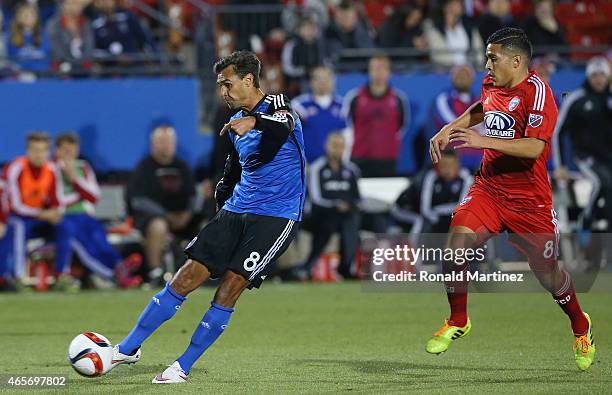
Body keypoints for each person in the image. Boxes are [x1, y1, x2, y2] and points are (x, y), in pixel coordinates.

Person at [108, 51, 306, 383]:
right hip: (236, 210)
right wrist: (221, 195)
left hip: (276, 217)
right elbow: (232, 169)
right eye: (220, 86)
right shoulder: (233, 122)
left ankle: (181, 366)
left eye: (228, 84)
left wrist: (254, 120)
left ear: (248, 80)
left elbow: (284, 124)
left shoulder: (277, 106)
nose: (223, 92)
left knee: (228, 289)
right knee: (185, 277)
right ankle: (126, 349)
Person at [427, 28, 595, 371]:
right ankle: (458, 319)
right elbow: (482, 108)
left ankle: (580, 326)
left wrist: (483, 141)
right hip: (489, 188)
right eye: (487, 57)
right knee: (454, 249)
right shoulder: (493, 83)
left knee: (548, 275)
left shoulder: (539, 93)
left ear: (516, 61)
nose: (486, 65)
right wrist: (451, 127)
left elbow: (534, 148)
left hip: (529, 202)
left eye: (493, 58)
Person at [54, 132, 141, 289]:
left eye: (72, 149)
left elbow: (94, 196)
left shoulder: (83, 167)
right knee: (83, 243)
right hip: (65, 217)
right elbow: (58, 200)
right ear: (58, 150)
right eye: (65, 150)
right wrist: (80, 193)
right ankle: (112, 274)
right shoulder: (53, 169)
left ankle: (119, 266)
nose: (69, 153)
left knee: (99, 239)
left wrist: (75, 179)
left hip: (85, 216)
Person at [127, 126, 196, 285]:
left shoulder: (182, 166)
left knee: (207, 224)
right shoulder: (144, 168)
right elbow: (138, 201)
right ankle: (155, 272)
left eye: (169, 142)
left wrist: (188, 214)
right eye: (161, 142)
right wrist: (165, 215)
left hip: (183, 217)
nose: (166, 146)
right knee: (158, 226)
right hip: (153, 218)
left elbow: (193, 195)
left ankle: (203, 271)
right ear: (153, 144)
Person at [553, 57, 612, 232]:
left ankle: (605, 231)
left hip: (608, 156)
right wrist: (560, 165)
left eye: (602, 75)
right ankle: (585, 219)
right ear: (588, 77)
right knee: (602, 183)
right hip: (585, 156)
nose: (598, 79)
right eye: (594, 75)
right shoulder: (576, 99)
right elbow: (558, 132)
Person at [0, 132, 63, 286]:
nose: (39, 155)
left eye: (43, 150)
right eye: (35, 150)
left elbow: (58, 199)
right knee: (16, 228)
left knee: (65, 226)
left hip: (39, 218)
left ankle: (62, 275)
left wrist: (56, 213)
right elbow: (15, 205)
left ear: (48, 152)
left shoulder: (52, 169)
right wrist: (42, 214)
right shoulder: (16, 168)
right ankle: (17, 277)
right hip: (14, 217)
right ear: (27, 151)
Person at [300, 133, 360, 279]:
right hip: (318, 214)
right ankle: (308, 265)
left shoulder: (352, 170)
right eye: (335, 145)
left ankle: (346, 267)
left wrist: (348, 206)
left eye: (341, 146)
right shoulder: (317, 168)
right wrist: (336, 205)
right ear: (327, 147)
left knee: (353, 220)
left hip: (344, 215)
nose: (338, 149)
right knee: (329, 222)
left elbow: (358, 198)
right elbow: (316, 199)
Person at [343, 55, 409, 177]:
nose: (379, 72)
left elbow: (402, 127)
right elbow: (348, 126)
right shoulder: (355, 97)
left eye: (382, 68)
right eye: (375, 68)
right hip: (359, 158)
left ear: (389, 72)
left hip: (387, 159)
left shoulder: (398, 99)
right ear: (369, 71)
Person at [392, 150, 472, 236]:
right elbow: (425, 210)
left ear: (457, 165)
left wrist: (440, 212)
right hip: (406, 209)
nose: (447, 169)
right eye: (444, 165)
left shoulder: (467, 179)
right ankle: (416, 248)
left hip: (438, 212)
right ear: (438, 165)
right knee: (421, 222)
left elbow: (463, 207)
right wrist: (439, 218)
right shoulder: (429, 178)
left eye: (450, 165)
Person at [431, 64, 481, 170]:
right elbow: (449, 123)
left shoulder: (479, 101)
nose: (462, 78)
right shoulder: (443, 99)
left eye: (466, 74)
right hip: (452, 159)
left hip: (479, 158)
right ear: (452, 78)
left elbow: (486, 127)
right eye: (459, 74)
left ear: (472, 79)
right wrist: (473, 127)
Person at [292, 66, 346, 163]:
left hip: (334, 164)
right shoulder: (299, 105)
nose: (323, 82)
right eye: (319, 78)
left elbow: (346, 135)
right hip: (307, 164)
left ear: (333, 81)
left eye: (326, 78)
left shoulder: (342, 105)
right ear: (311, 82)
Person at [423, 0, 484, 67]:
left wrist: (476, 66)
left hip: (470, 72)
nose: (460, 4)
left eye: (460, 2)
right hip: (445, 73)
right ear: (446, 7)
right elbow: (438, 55)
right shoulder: (433, 28)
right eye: (456, 2)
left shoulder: (470, 25)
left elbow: (479, 51)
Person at [46, 0, 94, 70]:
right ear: (63, 6)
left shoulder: (86, 23)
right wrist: (72, 63)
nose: (75, 6)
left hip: (84, 64)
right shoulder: (54, 25)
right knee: (64, 68)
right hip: (63, 63)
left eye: (77, 3)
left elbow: (89, 46)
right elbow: (57, 49)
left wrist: (82, 62)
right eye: (71, 3)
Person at [6, 3, 50, 71]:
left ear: (36, 18)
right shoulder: (11, 37)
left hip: (41, 75)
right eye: (25, 15)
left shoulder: (44, 36)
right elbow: (12, 60)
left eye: (31, 15)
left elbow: (45, 58)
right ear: (18, 17)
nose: (28, 18)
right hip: (19, 75)